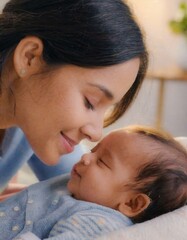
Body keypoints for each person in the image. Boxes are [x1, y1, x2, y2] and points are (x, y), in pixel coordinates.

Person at [0, 0, 148, 197]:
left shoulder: (30, 119)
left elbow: (96, 195)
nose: (95, 133)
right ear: (30, 57)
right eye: (90, 102)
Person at [1, 125, 187, 240]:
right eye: (93, 150)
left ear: (132, 203)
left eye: (102, 161)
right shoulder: (81, 189)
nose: (86, 157)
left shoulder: (98, 222)